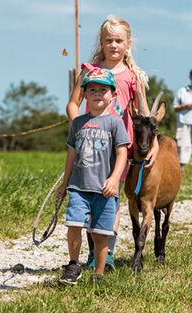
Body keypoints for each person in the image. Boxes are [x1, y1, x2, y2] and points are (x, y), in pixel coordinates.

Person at [66, 16, 158, 271]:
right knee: (87, 193)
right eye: (109, 40)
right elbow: (73, 104)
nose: (113, 45)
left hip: (119, 148)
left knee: (111, 198)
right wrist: (79, 127)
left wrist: (155, 145)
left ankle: (106, 254)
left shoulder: (133, 76)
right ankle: (91, 251)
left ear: (128, 44)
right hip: (89, 146)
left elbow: (145, 113)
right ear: (101, 42)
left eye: (119, 40)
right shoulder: (90, 71)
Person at [57, 68, 130, 284]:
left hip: (105, 190)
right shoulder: (78, 123)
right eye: (92, 90)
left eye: (103, 89)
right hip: (79, 187)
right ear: (85, 95)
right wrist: (65, 183)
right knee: (74, 225)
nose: (97, 93)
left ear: (113, 95)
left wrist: (115, 178)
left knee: (100, 234)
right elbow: (71, 154)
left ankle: (98, 273)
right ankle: (73, 265)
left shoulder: (115, 123)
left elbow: (122, 152)